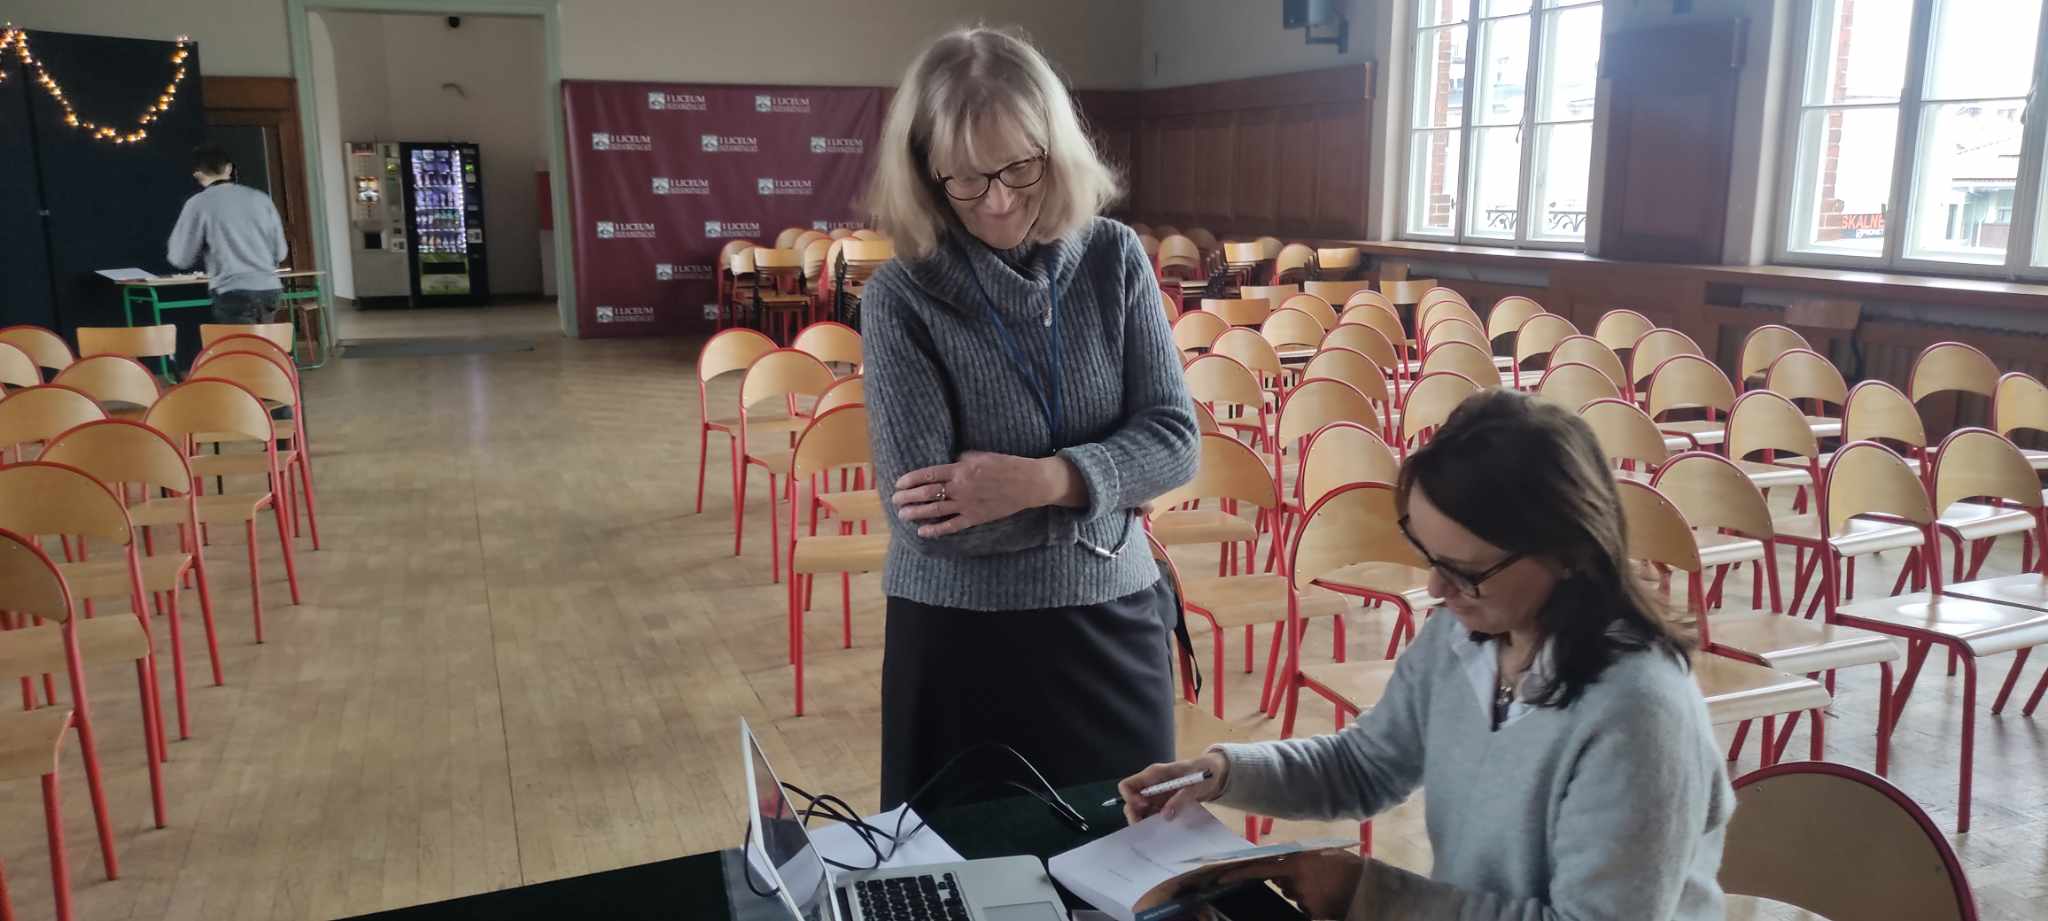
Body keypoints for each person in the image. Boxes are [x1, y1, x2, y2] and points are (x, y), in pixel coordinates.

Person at [1119, 389, 1732, 921]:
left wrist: (1369, 896)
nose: (1437, 589)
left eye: (1466, 571)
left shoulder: (1637, 713)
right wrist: (1222, 773)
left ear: (1569, 550)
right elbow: (1366, 766)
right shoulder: (1465, 637)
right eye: (1430, 559)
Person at [860, 26, 1199, 808]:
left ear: (1056, 149)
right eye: (967, 178)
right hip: (958, 639)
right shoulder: (900, 298)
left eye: (1020, 166)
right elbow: (930, 524)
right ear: (926, 172)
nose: (999, 200)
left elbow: (1177, 443)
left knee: (1127, 846)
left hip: (1115, 618)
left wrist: (1048, 481)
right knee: (965, 858)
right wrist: (1111, 491)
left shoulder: (1115, 258)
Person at [167, 145, 289, 324]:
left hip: (232, 292)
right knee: (264, 342)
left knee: (239, 343)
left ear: (197, 174)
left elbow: (180, 258)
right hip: (269, 289)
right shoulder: (260, 198)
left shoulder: (198, 204)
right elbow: (281, 253)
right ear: (229, 168)